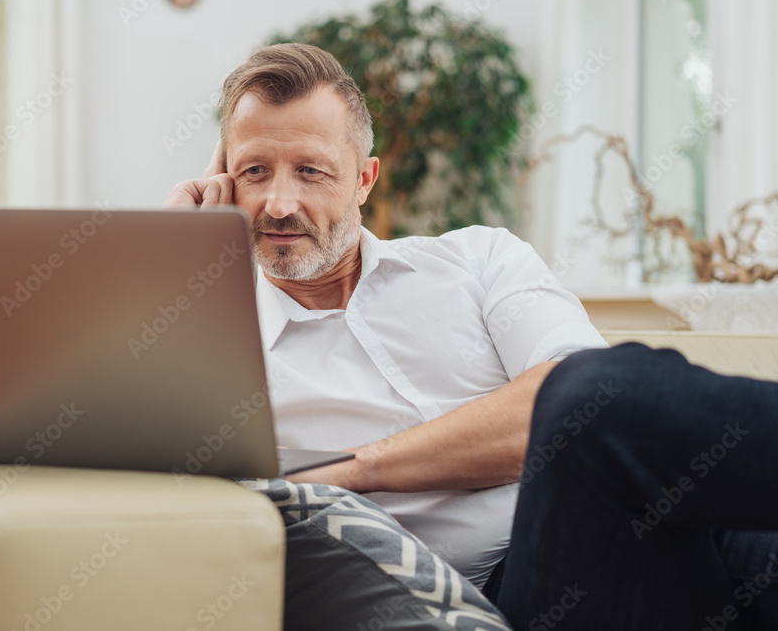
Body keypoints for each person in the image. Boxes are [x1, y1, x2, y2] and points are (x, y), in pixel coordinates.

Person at [163, 43, 778, 630]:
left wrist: (351, 471)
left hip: (658, 540)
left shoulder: (479, 258)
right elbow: (582, 414)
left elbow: (595, 404)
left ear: (364, 181)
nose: (277, 202)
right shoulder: (218, 353)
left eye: (310, 172)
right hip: (522, 594)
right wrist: (175, 265)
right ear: (224, 183)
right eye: (253, 171)